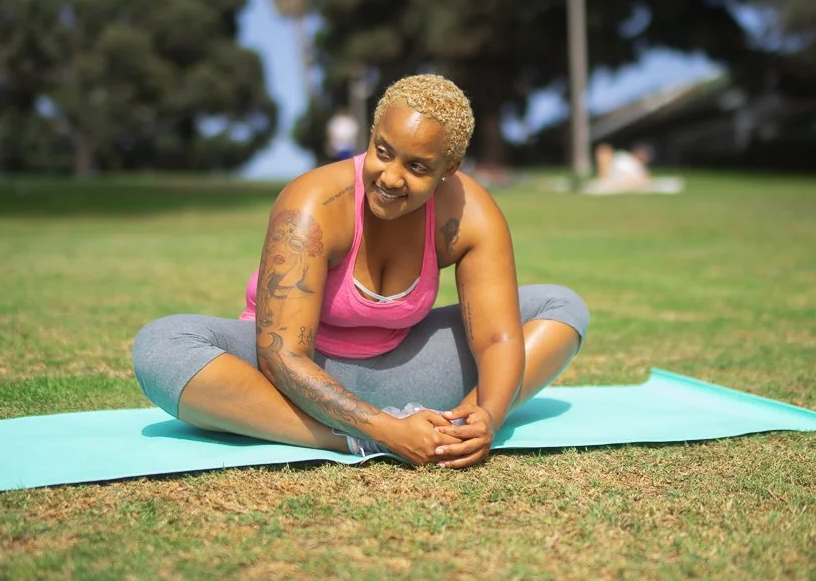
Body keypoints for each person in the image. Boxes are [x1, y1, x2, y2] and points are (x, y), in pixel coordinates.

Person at [133, 74, 590, 469]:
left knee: (560, 307)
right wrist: (383, 431)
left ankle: (452, 432)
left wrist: (487, 415)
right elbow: (283, 356)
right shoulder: (313, 204)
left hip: (406, 369)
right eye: (384, 152)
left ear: (449, 169)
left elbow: (495, 338)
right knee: (162, 346)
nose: (391, 178)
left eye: (417, 167)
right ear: (370, 135)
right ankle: (347, 439)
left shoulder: (471, 214)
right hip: (295, 377)